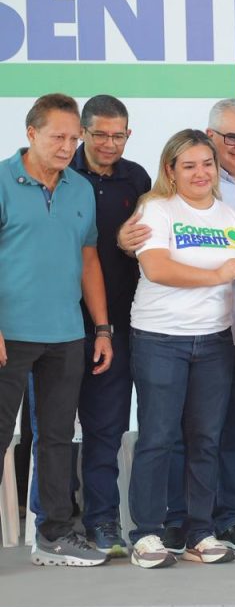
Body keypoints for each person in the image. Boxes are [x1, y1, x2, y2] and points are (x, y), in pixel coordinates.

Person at [120, 99, 235, 553]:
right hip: (159, 338)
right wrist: (218, 274)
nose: (200, 173)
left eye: (206, 164)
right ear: (171, 171)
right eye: (188, 165)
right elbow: (156, 268)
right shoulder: (157, 209)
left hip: (213, 342)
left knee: (206, 439)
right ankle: (147, 533)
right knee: (158, 437)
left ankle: (199, 532)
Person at [0, 93, 112, 567]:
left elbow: (88, 259)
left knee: (58, 438)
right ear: (31, 133)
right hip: (9, 333)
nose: (68, 147)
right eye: (57, 137)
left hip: (66, 333)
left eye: (74, 138)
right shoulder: (2, 180)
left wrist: (102, 327)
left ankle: (54, 536)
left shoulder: (80, 189)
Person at [71, 95, 151, 558]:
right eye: (99, 134)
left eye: (118, 135)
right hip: (60, 321)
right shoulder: (62, 174)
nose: (109, 144)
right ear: (82, 132)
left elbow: (149, 243)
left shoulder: (137, 178)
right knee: (53, 433)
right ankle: (55, 523)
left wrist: (126, 244)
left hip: (117, 324)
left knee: (106, 428)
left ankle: (102, 522)